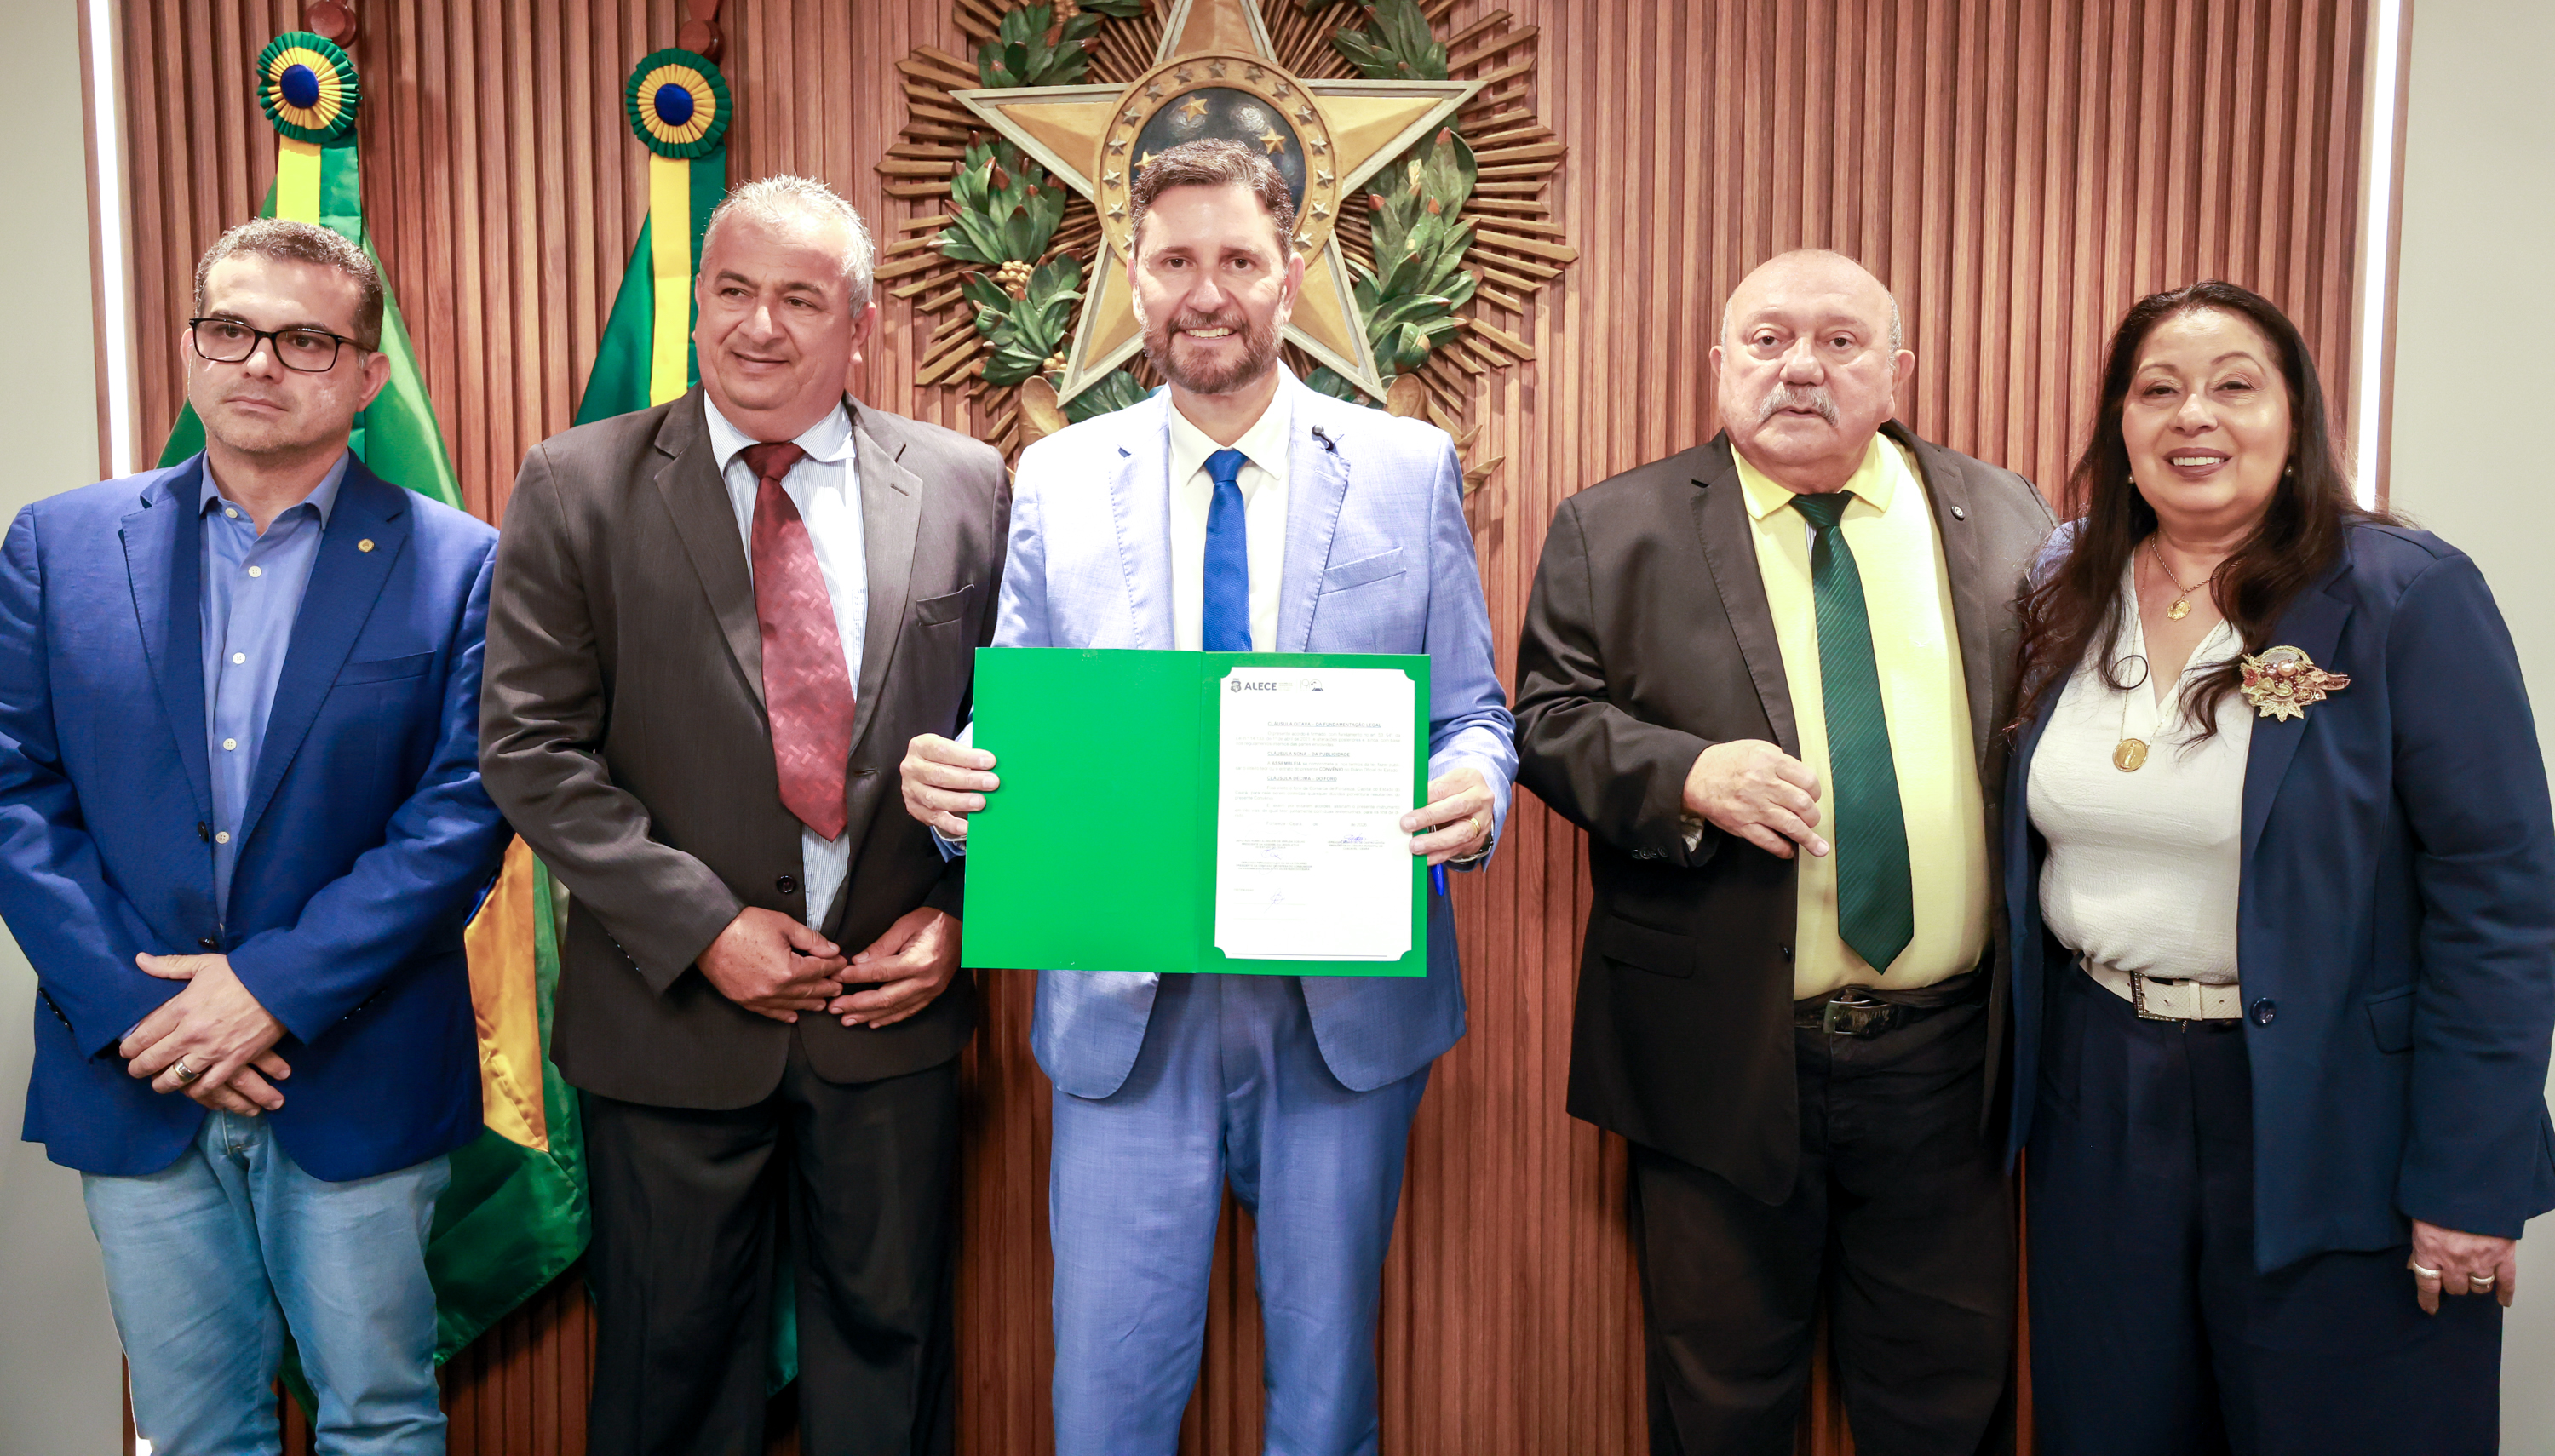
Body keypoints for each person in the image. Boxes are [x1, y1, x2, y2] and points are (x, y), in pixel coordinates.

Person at [898, 139, 1514, 1456]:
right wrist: (952, 787)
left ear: (1290, 276)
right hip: (1129, 1010)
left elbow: (1473, 709)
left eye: (1238, 258)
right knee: (1105, 1405)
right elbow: (1010, 728)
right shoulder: (1059, 477)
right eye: (1176, 261)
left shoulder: (1407, 470)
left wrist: (1474, 784)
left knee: (1328, 1396)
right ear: (1136, 278)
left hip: (1342, 1008)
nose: (1207, 289)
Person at [478, 175, 1006, 1456]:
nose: (757, 327)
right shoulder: (576, 483)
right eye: (732, 291)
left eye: (799, 298)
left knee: (893, 1370)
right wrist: (707, 928)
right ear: (699, 303)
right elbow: (529, 746)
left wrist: (959, 918)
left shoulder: (968, 484)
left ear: (859, 327)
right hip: (669, 1025)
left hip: (890, 1020)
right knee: (669, 1379)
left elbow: (1019, 746)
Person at [1512, 249, 2051, 1454]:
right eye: (1766, 340)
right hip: (1720, 1056)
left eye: (1842, 341)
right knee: (1722, 1408)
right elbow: (1543, 724)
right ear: (1719, 367)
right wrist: (1683, 773)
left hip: (1948, 1063)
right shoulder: (1618, 525)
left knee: (1946, 1403)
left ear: (1898, 371)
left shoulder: (2005, 516)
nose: (1801, 365)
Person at [2004, 280, 2555, 1454]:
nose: (2193, 415)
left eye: (2234, 386)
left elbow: (2499, 904)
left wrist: (2469, 1182)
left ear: (2296, 418)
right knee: (2115, 1424)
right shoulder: (2068, 583)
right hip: (2102, 1092)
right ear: (2120, 425)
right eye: (2158, 390)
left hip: (2335, 1111)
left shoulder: (2404, 593)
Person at [0, 218, 512, 1454]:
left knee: (379, 1420)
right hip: (135, 1070)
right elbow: (16, 795)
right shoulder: (59, 544)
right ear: (191, 344)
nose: (257, 362)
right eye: (227, 329)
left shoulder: (465, 565)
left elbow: (463, 812)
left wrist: (268, 993)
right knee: (190, 1433)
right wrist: (152, 1015)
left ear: (366, 374)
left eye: (302, 338)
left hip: (356, 1064)